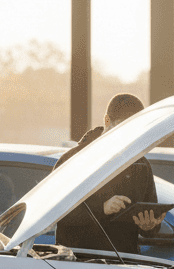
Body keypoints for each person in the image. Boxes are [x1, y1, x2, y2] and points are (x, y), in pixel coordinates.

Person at [54, 93, 166, 254]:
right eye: (122, 127)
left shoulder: (141, 165)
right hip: (80, 261)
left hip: (125, 261)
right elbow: (55, 213)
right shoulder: (72, 160)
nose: (127, 135)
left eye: (134, 129)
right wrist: (102, 208)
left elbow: (150, 222)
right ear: (107, 121)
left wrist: (149, 227)